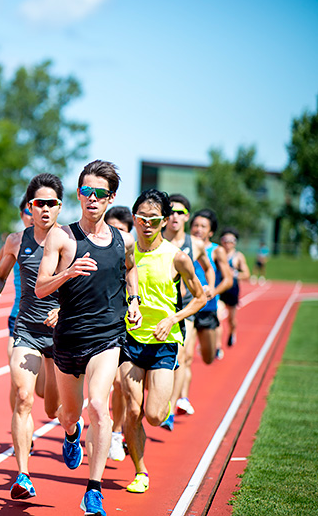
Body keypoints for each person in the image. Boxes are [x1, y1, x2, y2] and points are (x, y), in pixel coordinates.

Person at [36, 160, 142, 516]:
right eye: (85, 191)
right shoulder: (61, 237)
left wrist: (135, 302)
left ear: (110, 198)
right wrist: (68, 272)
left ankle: (93, 491)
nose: (92, 198)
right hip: (68, 339)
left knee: (98, 404)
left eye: (99, 193)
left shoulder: (123, 240)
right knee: (69, 414)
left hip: (107, 338)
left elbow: (131, 270)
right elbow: (40, 288)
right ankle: (70, 434)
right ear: (78, 194)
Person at [119, 190, 207, 494]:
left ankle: (164, 399)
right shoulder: (129, 252)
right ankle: (141, 471)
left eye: (153, 219)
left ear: (163, 221)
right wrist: (130, 303)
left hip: (164, 341)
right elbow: (123, 280)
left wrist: (173, 318)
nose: (146, 224)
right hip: (131, 340)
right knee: (132, 411)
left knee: (154, 416)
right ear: (134, 218)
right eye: (141, 218)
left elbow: (200, 297)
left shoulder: (177, 257)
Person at [0, 173, 63, 500]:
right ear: (29, 206)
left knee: (55, 409)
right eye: (38, 203)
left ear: (60, 206)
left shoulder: (69, 241)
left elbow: (82, 286)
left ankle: (71, 431)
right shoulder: (16, 241)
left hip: (60, 336)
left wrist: (64, 311)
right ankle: (23, 475)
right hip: (26, 330)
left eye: (51, 203)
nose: (44, 209)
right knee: (23, 396)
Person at [0, 196, 47, 411]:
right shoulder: (14, 243)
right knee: (18, 383)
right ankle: (19, 426)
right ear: (22, 215)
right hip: (19, 319)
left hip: (50, 321)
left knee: (43, 392)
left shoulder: (57, 242)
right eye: (29, 211)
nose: (33, 215)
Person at [163, 194, 215, 423]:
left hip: (185, 308)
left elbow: (208, 267)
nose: (175, 216)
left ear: (187, 217)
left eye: (180, 212)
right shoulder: (156, 239)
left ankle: (171, 410)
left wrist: (210, 287)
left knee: (183, 356)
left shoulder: (195, 244)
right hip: (159, 306)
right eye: (171, 211)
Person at [103, 206, 133, 462]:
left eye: (121, 230)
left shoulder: (133, 257)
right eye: (112, 228)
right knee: (108, 384)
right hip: (102, 325)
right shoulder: (98, 251)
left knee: (120, 385)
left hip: (128, 326)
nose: (116, 235)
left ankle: (114, 432)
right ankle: (105, 428)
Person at [190, 209, 234, 363]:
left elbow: (228, 280)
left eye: (203, 226)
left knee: (208, 358)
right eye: (195, 225)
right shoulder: (185, 246)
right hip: (187, 307)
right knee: (185, 358)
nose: (198, 229)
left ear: (211, 231)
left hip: (207, 308)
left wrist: (213, 291)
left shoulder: (217, 250)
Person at [218, 228, 250, 347]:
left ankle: (232, 331)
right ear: (222, 241)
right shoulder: (217, 252)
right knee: (218, 317)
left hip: (232, 290)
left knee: (231, 319)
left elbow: (247, 274)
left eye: (231, 241)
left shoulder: (238, 256)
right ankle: (217, 345)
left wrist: (234, 274)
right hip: (219, 288)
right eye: (225, 240)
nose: (228, 243)